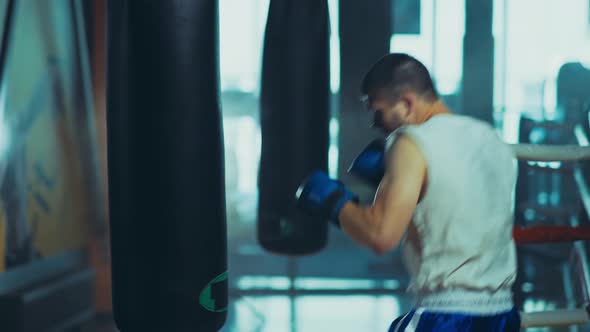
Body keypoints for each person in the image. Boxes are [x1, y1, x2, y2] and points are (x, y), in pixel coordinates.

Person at [296, 53, 521, 331]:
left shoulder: (411, 142)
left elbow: (381, 235)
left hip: (447, 315)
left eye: (378, 111)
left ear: (407, 103)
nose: (375, 124)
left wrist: (334, 202)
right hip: (503, 314)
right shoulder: (491, 139)